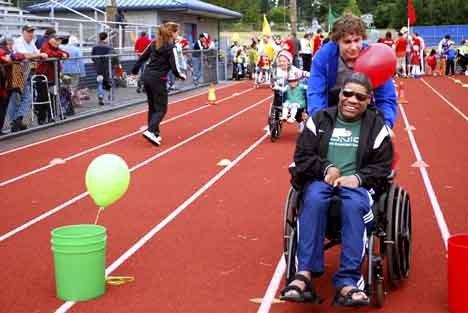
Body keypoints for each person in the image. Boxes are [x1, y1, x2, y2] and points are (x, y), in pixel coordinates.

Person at [281, 72, 393, 307]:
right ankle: (303, 275)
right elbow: (302, 157)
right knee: (313, 199)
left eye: (360, 97)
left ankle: (348, 281)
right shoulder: (319, 119)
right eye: (348, 93)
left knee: (354, 206)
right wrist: (327, 168)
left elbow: (383, 166)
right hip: (321, 181)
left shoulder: (376, 126)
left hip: (357, 186)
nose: (352, 100)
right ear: (340, 94)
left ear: (369, 100)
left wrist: (359, 178)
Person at [307, 14, 397, 130]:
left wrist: (385, 124)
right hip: (333, 103)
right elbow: (316, 93)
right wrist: (319, 123)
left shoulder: (374, 58)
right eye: (347, 42)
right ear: (337, 41)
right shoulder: (323, 57)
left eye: (357, 40)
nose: (353, 47)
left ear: (362, 38)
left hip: (362, 104)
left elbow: (386, 97)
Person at [131, 22, 186, 146]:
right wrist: (181, 75)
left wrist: (134, 71)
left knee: (153, 107)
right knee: (161, 109)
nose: (178, 34)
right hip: (158, 79)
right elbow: (174, 66)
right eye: (177, 32)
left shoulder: (154, 43)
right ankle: (150, 131)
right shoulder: (170, 47)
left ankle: (155, 133)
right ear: (172, 33)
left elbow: (142, 58)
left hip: (147, 77)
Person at [9, 25, 48, 132]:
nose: (31, 34)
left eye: (32, 31)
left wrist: (37, 55)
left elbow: (35, 54)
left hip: (25, 72)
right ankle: (15, 122)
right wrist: (37, 55)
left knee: (26, 98)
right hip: (15, 71)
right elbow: (24, 55)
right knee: (16, 99)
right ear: (23, 32)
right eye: (29, 31)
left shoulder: (31, 42)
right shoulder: (18, 41)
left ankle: (17, 120)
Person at [0, 38, 25, 134]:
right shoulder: (3, 51)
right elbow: (11, 58)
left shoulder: (6, 51)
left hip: (5, 84)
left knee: (4, 106)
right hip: (4, 84)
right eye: (10, 44)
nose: (11, 46)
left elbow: (15, 56)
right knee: (2, 106)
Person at [91, 32, 118, 105]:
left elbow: (92, 57)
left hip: (99, 68)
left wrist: (96, 63)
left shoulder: (95, 46)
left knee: (100, 82)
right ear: (106, 38)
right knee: (111, 82)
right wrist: (116, 65)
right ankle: (110, 98)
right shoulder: (109, 47)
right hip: (108, 68)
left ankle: (101, 97)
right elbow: (115, 57)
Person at [61, 35, 86, 106]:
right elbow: (80, 61)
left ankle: (66, 101)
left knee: (66, 86)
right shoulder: (77, 49)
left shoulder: (63, 48)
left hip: (64, 70)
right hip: (75, 71)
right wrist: (83, 72)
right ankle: (70, 103)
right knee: (73, 87)